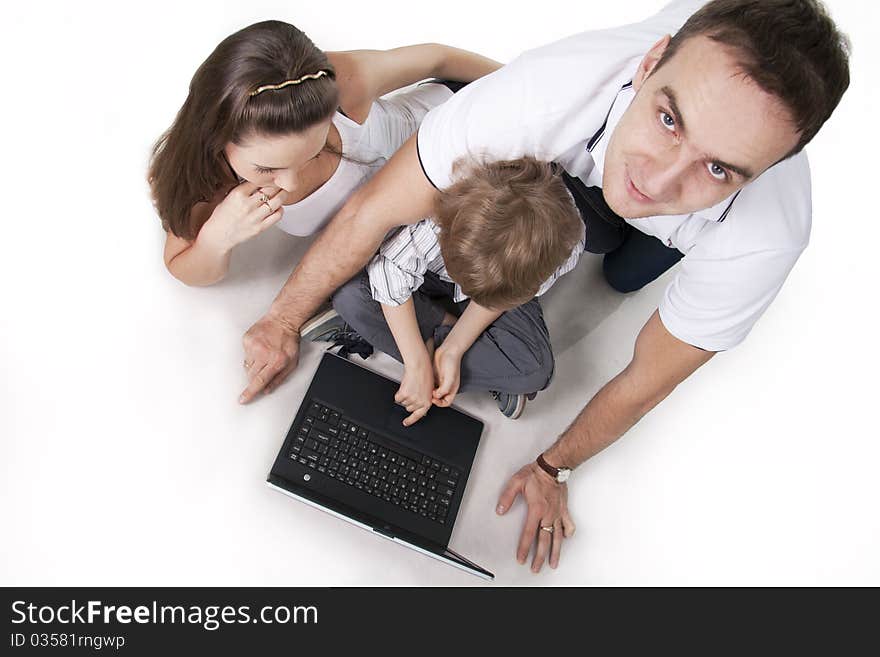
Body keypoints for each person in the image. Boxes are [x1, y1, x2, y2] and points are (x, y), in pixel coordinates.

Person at [238, 0, 851, 572]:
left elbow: (642, 382)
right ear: (647, 64)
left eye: (718, 168)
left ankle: (643, 216)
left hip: (601, 230)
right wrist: (282, 320)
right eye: (668, 120)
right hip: (564, 180)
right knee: (383, 284)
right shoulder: (541, 97)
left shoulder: (763, 237)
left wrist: (551, 468)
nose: (659, 182)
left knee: (623, 273)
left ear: (766, 172)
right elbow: (375, 211)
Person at [147, 20, 500, 286]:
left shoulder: (342, 83)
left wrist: (518, 85)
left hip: (470, 124)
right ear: (216, 137)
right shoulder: (211, 181)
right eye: (267, 168)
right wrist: (216, 240)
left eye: (312, 153)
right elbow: (182, 265)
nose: (290, 181)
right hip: (438, 206)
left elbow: (438, 59)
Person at [304, 157, 584, 423]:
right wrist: (416, 363)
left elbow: (498, 300)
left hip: (496, 289)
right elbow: (390, 271)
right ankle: (477, 360)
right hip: (424, 270)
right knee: (349, 295)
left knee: (534, 369)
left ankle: (389, 331)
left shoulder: (564, 247)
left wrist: (453, 348)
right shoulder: (441, 215)